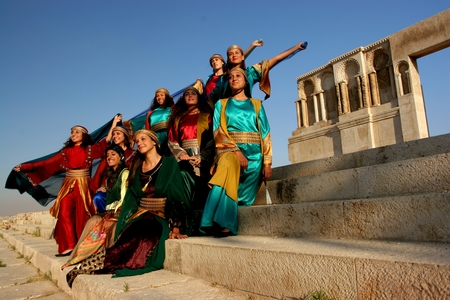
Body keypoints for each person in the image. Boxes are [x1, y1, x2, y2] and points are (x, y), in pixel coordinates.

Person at [64, 129, 193, 284]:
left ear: (154, 142)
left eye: (143, 139)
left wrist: (176, 227)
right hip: (141, 215)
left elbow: (176, 196)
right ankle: (89, 265)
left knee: (143, 238)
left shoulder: (169, 163)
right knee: (125, 237)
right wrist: (125, 220)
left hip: (161, 217)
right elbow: (131, 199)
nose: (139, 143)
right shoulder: (137, 167)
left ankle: (98, 265)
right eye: (137, 141)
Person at [12, 125, 109, 256]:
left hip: (84, 186)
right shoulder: (65, 152)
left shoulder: (90, 149)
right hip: (68, 185)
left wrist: (114, 123)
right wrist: (24, 166)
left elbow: (106, 142)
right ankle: (69, 246)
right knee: (64, 211)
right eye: (72, 132)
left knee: (83, 214)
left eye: (76, 132)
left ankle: (83, 245)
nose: (73, 134)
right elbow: (46, 163)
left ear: (84, 135)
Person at [200, 67, 273, 237]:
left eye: (238, 75)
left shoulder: (257, 104)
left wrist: (267, 163)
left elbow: (266, 134)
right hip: (229, 150)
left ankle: (219, 214)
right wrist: (236, 151)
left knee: (244, 199)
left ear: (246, 80)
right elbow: (218, 130)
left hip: (255, 156)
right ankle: (220, 223)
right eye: (231, 77)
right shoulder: (222, 104)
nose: (234, 78)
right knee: (226, 168)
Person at [62, 144, 129, 285]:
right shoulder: (109, 175)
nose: (109, 157)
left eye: (113, 154)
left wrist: (113, 217)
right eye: (107, 155)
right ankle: (79, 257)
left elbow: (124, 198)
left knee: (110, 228)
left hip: (122, 213)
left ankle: (106, 260)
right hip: (110, 212)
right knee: (93, 220)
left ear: (121, 157)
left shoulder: (125, 173)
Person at [208, 41, 307, 102]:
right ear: (228, 59)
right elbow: (212, 98)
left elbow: (276, 59)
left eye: (237, 53)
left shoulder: (250, 72)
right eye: (231, 54)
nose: (234, 55)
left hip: (246, 112)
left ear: (243, 57)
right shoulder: (224, 78)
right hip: (226, 113)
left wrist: (296, 48)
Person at [168, 86, 214, 210]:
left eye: (193, 93)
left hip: (203, 157)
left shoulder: (207, 115)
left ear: (199, 97)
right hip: (184, 158)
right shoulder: (178, 118)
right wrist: (181, 154)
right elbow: (172, 141)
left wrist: (202, 156)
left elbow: (213, 138)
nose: (190, 96)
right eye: (187, 94)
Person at [91, 114, 136, 213]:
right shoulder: (109, 156)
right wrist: (103, 187)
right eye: (113, 134)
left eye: (118, 134)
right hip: (110, 190)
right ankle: (107, 216)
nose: (115, 136)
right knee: (98, 197)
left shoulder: (133, 154)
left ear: (125, 136)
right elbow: (100, 173)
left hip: (128, 189)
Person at [123, 88, 174, 155]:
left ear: (166, 96)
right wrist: (130, 123)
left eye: (162, 95)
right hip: (155, 137)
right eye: (157, 96)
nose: (159, 97)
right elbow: (142, 121)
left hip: (168, 135)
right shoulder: (152, 112)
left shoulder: (173, 108)